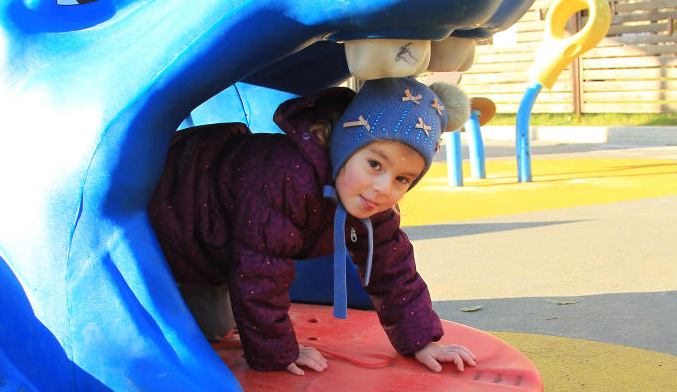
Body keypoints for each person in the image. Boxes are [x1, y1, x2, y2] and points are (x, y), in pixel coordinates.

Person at [149, 77, 476, 376]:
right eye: (375, 164)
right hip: (168, 215)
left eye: (402, 178)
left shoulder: (369, 199)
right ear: (345, 145)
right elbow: (261, 270)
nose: (382, 187)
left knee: (217, 326)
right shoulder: (286, 178)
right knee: (186, 327)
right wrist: (276, 353)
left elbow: (391, 267)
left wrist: (421, 340)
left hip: (217, 240)